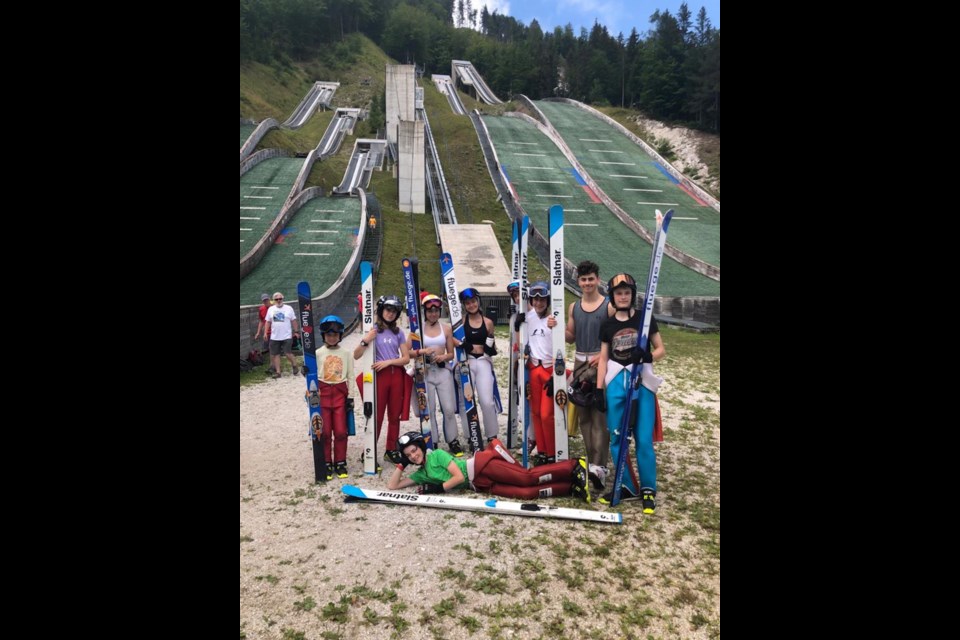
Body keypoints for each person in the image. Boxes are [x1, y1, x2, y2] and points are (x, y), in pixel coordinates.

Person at [595, 273, 665, 513]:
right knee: (617, 438)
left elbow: (661, 349)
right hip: (615, 382)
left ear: (632, 295)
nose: (623, 296)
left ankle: (648, 488)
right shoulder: (608, 324)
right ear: (612, 296)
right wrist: (598, 390)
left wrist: (647, 356)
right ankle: (626, 485)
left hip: (641, 384)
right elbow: (604, 357)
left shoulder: (645, 319)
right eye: (618, 293)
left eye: (626, 292)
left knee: (643, 439)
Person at [387, 432, 590, 501]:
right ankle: (570, 487)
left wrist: (438, 488)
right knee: (526, 494)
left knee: (526, 477)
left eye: (414, 450)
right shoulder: (422, 474)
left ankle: (574, 466)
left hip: (480, 467)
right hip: (478, 484)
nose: (413, 456)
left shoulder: (436, 455)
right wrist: (401, 464)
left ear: (421, 446)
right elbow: (393, 486)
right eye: (409, 455)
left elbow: (458, 478)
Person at [565, 261, 611, 488]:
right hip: (580, 363)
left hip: (601, 364)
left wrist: (605, 357)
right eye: (583, 279)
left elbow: (618, 336)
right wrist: (553, 325)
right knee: (584, 417)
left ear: (598, 280)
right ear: (578, 281)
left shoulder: (608, 306)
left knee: (599, 418)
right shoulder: (573, 307)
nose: (587, 283)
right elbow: (570, 336)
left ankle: (600, 465)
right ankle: (591, 461)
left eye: (591, 279)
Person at [353, 295, 411, 465]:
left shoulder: (398, 332)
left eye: (394, 311)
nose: (391, 314)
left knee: (394, 415)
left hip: (396, 376)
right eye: (388, 310)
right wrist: (365, 341)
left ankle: (391, 449)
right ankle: (368, 451)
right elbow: (356, 356)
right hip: (379, 378)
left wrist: (389, 361)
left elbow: (406, 358)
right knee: (375, 416)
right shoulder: (372, 331)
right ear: (381, 310)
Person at [406, 292, 462, 456]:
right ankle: (432, 440)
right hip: (425, 373)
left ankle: (453, 440)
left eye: (436, 311)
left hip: (442, 370)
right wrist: (421, 351)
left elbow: (451, 354)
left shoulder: (446, 328)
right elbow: (406, 352)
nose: (433, 314)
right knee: (429, 410)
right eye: (430, 311)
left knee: (449, 408)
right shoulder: (417, 330)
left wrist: (443, 356)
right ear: (425, 312)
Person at [514, 282, 557, 465]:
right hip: (533, 368)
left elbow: (559, 348)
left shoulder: (553, 319)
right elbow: (520, 344)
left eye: (542, 299)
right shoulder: (528, 317)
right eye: (536, 299)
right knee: (536, 413)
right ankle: (542, 450)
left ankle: (553, 451)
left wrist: (557, 375)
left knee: (547, 414)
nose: (539, 303)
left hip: (548, 369)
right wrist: (517, 326)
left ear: (548, 300)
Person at [312, 315, 354, 480]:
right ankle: (327, 461)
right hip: (323, 394)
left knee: (341, 431)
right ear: (323, 336)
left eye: (335, 335)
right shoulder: (317, 353)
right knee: (325, 431)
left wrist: (350, 397)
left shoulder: (346, 353)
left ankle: (340, 461)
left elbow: (350, 375)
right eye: (329, 335)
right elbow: (313, 376)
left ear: (340, 336)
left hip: (339, 394)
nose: (332, 337)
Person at [459, 287, 501, 447]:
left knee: (487, 401)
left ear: (478, 302)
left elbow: (492, 344)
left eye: (473, 301)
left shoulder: (488, 322)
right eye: (468, 303)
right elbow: (454, 340)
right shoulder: (461, 322)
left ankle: (492, 435)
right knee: (467, 400)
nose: (471, 305)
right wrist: (464, 344)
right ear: (465, 305)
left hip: (483, 361)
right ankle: (471, 435)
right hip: (467, 362)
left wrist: (491, 348)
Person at [507, 281, 535, 454]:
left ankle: (535, 438)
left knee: (534, 403)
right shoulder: (516, 314)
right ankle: (529, 438)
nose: (518, 298)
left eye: (520, 294)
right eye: (515, 295)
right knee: (525, 401)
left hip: (536, 361)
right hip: (521, 362)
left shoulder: (536, 312)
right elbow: (516, 343)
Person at [265, 292, 300, 379]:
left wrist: (296, 331)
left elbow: (294, 320)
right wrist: (265, 332)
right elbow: (267, 321)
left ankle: (294, 365)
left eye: (280, 299)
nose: (279, 300)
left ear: (283, 299)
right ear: (274, 300)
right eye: (277, 299)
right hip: (275, 336)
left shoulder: (289, 308)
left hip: (286, 335)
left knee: (287, 353)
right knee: (276, 354)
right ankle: (278, 372)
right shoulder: (271, 309)